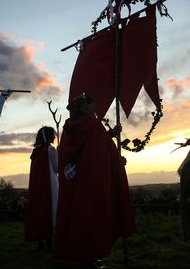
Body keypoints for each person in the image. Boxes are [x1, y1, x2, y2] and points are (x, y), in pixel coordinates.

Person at [53, 93, 136, 269]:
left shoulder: (68, 128)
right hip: (92, 183)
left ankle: (86, 258)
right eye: (93, 106)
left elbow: (89, 148)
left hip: (75, 183)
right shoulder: (93, 126)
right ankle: (89, 259)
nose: (96, 109)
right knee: (93, 219)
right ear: (85, 108)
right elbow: (100, 153)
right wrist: (117, 163)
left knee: (80, 217)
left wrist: (111, 134)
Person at [24, 126, 59, 251]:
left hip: (38, 186)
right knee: (51, 210)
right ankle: (50, 241)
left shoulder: (36, 152)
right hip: (51, 184)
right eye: (52, 135)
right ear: (49, 136)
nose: (54, 137)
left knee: (40, 210)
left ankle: (40, 242)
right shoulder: (51, 149)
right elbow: (56, 168)